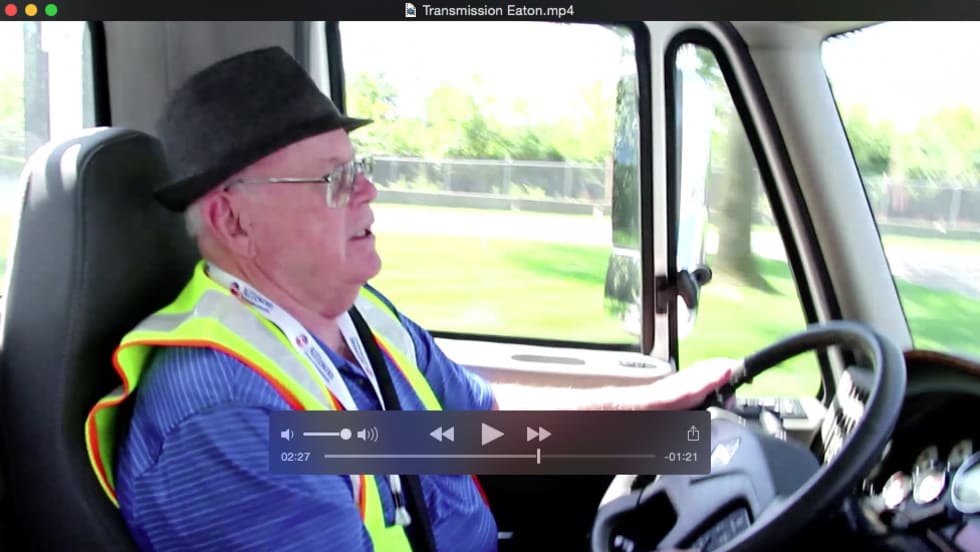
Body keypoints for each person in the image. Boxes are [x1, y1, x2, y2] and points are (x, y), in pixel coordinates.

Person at [84, 47, 734, 551]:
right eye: (334, 178)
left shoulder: (358, 316)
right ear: (233, 221)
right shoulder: (225, 419)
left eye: (359, 168)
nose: (368, 191)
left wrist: (656, 414)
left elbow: (484, 427)